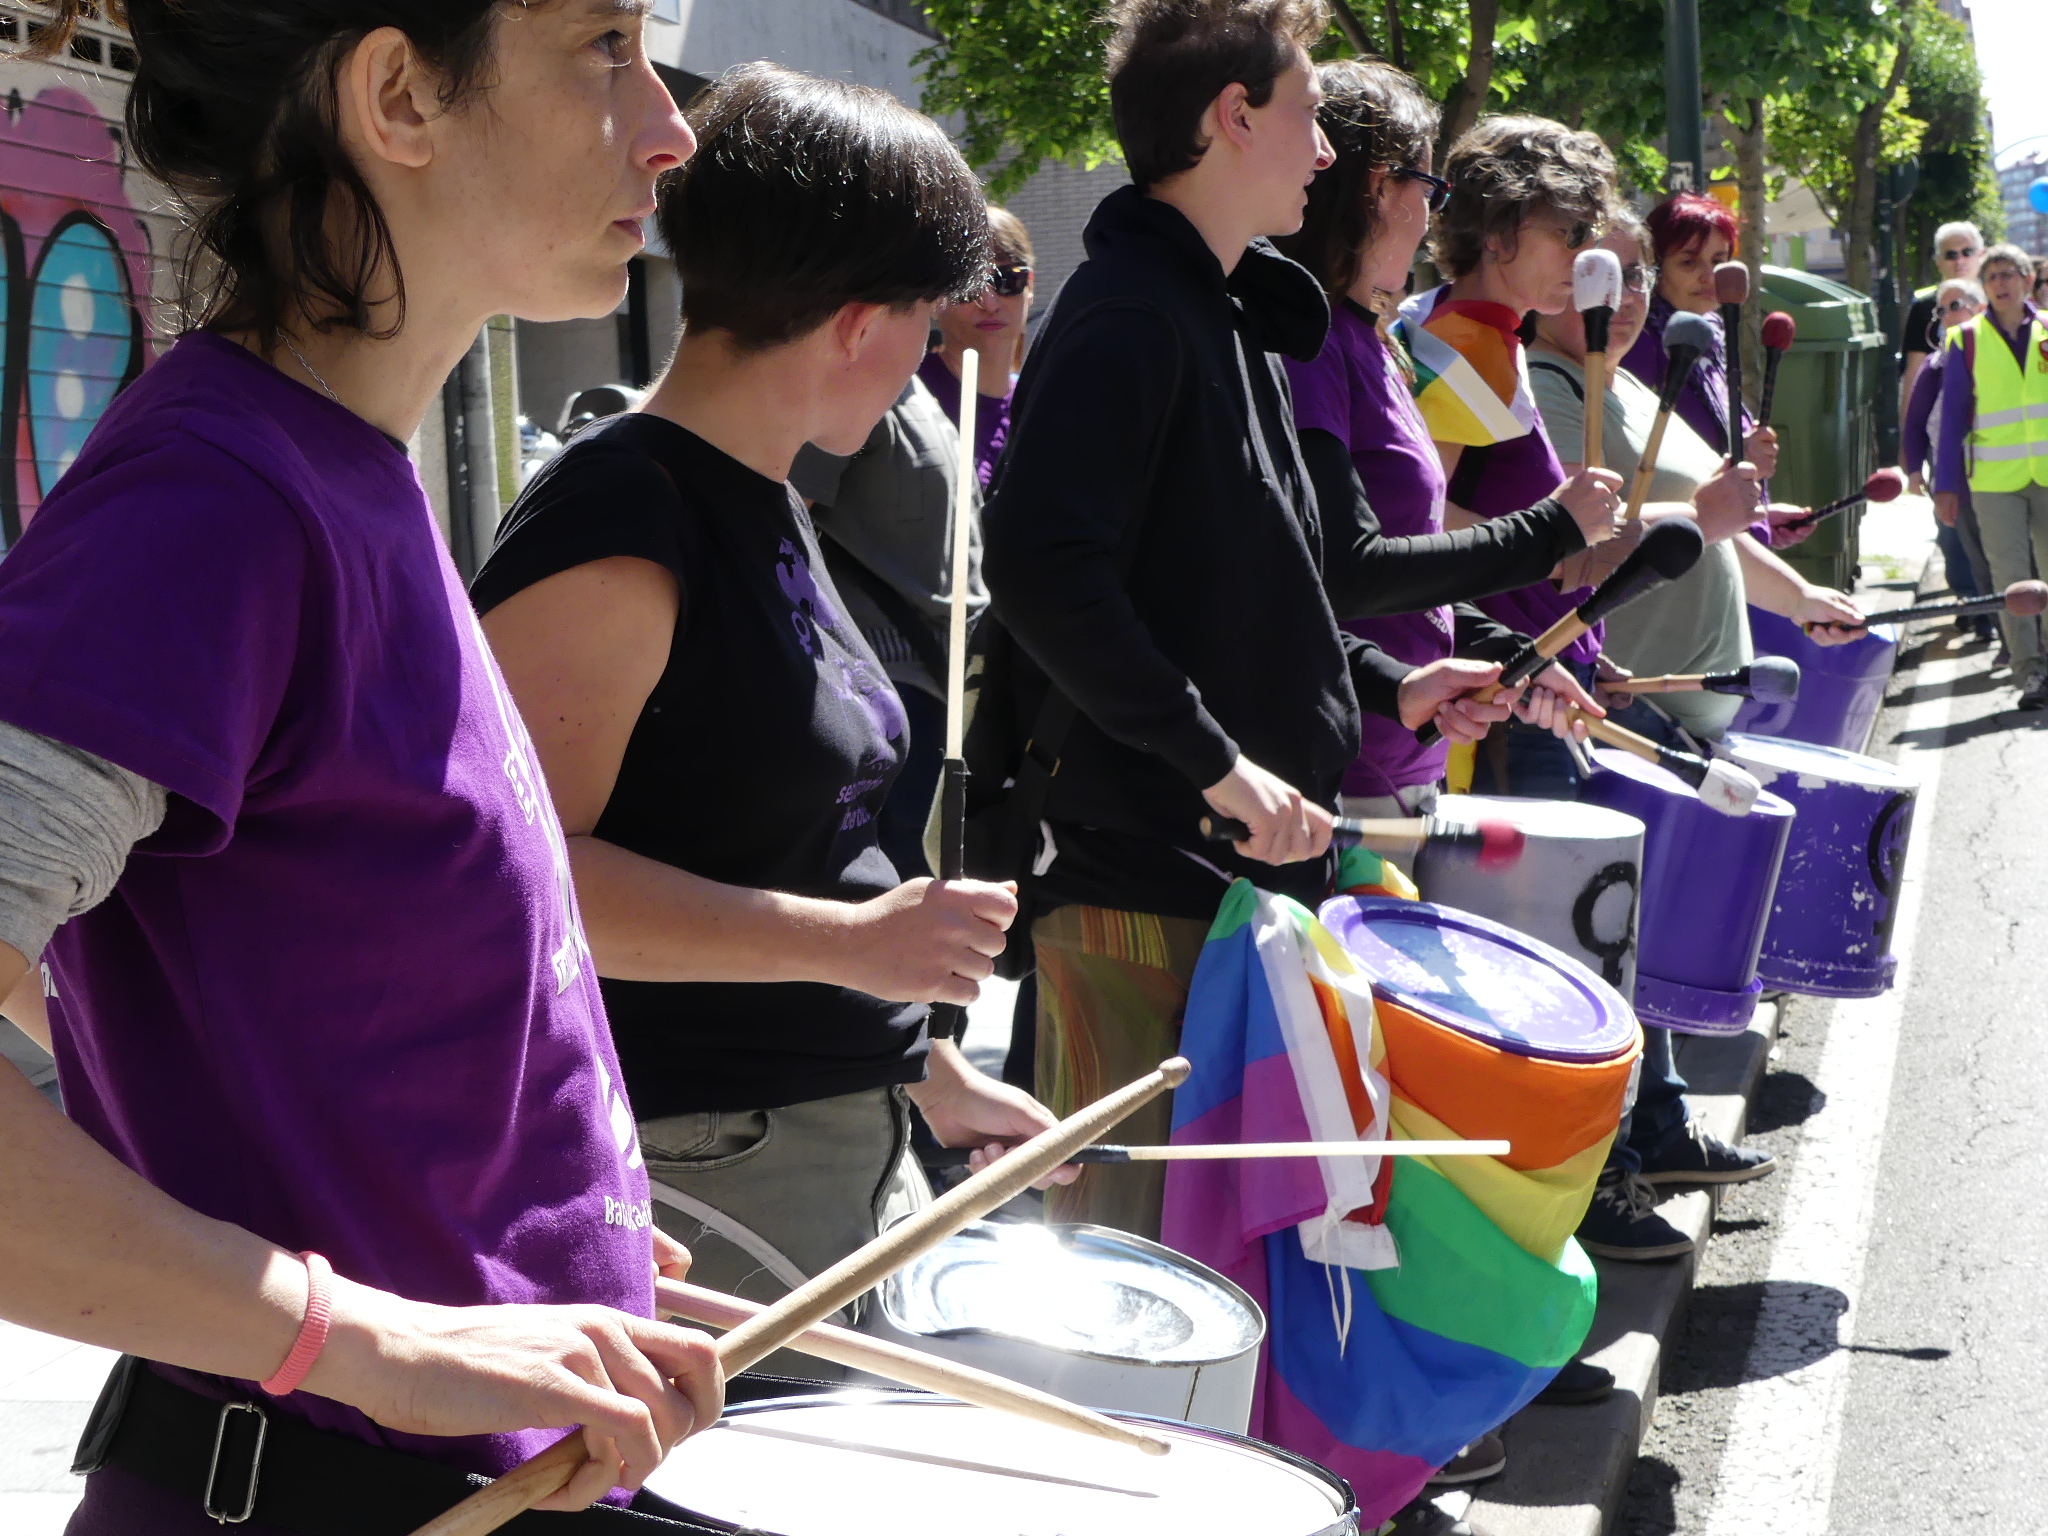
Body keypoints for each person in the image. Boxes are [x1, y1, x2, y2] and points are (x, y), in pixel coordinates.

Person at [0, 4, 727, 1532]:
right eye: (604, 44)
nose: (671, 128)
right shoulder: (211, 503)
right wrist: (371, 1340)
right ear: (400, 94)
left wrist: (499, 1219)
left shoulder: (344, 473)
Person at [977, 0, 1603, 1243]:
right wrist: (1216, 765)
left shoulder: (1234, 314)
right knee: (1121, 1256)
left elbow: (1271, 583)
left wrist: (1384, 684)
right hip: (1133, 874)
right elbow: (1043, 570)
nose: (1325, 154)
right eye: (1308, 116)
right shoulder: (1125, 314)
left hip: (1221, 866)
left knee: (1221, 1249)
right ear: (1232, 117)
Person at [473, 65, 1069, 1362]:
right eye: (925, 322)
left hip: (819, 1145)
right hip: (708, 1167)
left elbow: (773, 844)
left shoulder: (771, 499)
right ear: (857, 323)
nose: (927, 365)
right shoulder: (621, 517)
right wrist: (858, 945)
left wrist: (925, 1070)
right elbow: (520, 881)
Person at [1526, 215, 1864, 1264]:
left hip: (1683, 701)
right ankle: (1605, 1165)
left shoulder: (1633, 388)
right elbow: (1581, 548)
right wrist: (1711, 509)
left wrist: (1800, 596)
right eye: (1610, 274)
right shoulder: (1547, 388)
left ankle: (1662, 1124)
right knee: (1609, 946)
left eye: (1638, 276)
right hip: (1610, 696)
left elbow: (1716, 533)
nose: (1629, 295)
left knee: (1656, 932)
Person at [1272, 58, 1625, 821]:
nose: (1435, 215)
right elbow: (1364, 563)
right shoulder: (1394, 344)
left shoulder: (1381, 338)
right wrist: (1553, 535)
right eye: (1568, 233)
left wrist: (1514, 654)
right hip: (1352, 758)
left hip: (1411, 732)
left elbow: (1410, 544)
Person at [1402, 113, 1627, 798]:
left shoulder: (1480, 329)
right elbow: (1414, 520)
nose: (1585, 257)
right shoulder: (1463, 344)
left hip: (1528, 670)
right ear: (1497, 232)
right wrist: (1553, 541)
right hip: (1493, 696)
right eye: (1570, 234)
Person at [1932, 241, 2048, 709]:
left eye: (2009, 275)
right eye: (1992, 277)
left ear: (2028, 281)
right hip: (1995, 481)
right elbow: (1952, 419)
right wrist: (1946, 486)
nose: (2001, 284)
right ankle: (2030, 672)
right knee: (2011, 580)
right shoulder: (1966, 339)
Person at [1620, 193, 1780, 491]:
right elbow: (1634, 461)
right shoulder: (1640, 342)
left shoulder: (1713, 335)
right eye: (1688, 262)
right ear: (1655, 268)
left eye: (1718, 261)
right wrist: (1738, 462)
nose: (1709, 276)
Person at [1903, 277, 1996, 640]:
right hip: (1953, 475)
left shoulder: (1997, 353)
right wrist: (1914, 470)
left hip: (2003, 470)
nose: (1946, 316)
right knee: (1961, 547)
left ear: (1980, 308)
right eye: (1940, 310)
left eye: (1955, 306)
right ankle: (1980, 611)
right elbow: (1915, 422)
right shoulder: (1935, 365)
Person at [922, 206, 1034, 486]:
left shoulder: (1040, 405)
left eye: (1007, 279)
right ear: (934, 298)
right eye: (967, 284)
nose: (990, 303)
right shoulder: (902, 395)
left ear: (1029, 286)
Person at [1901, 221, 1985, 432]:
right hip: (1941, 422)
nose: (1960, 261)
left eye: (1967, 252)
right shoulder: (1924, 308)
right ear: (1938, 262)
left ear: (1981, 255)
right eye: (1951, 255)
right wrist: (1908, 439)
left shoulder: (1998, 299)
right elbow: (1913, 375)